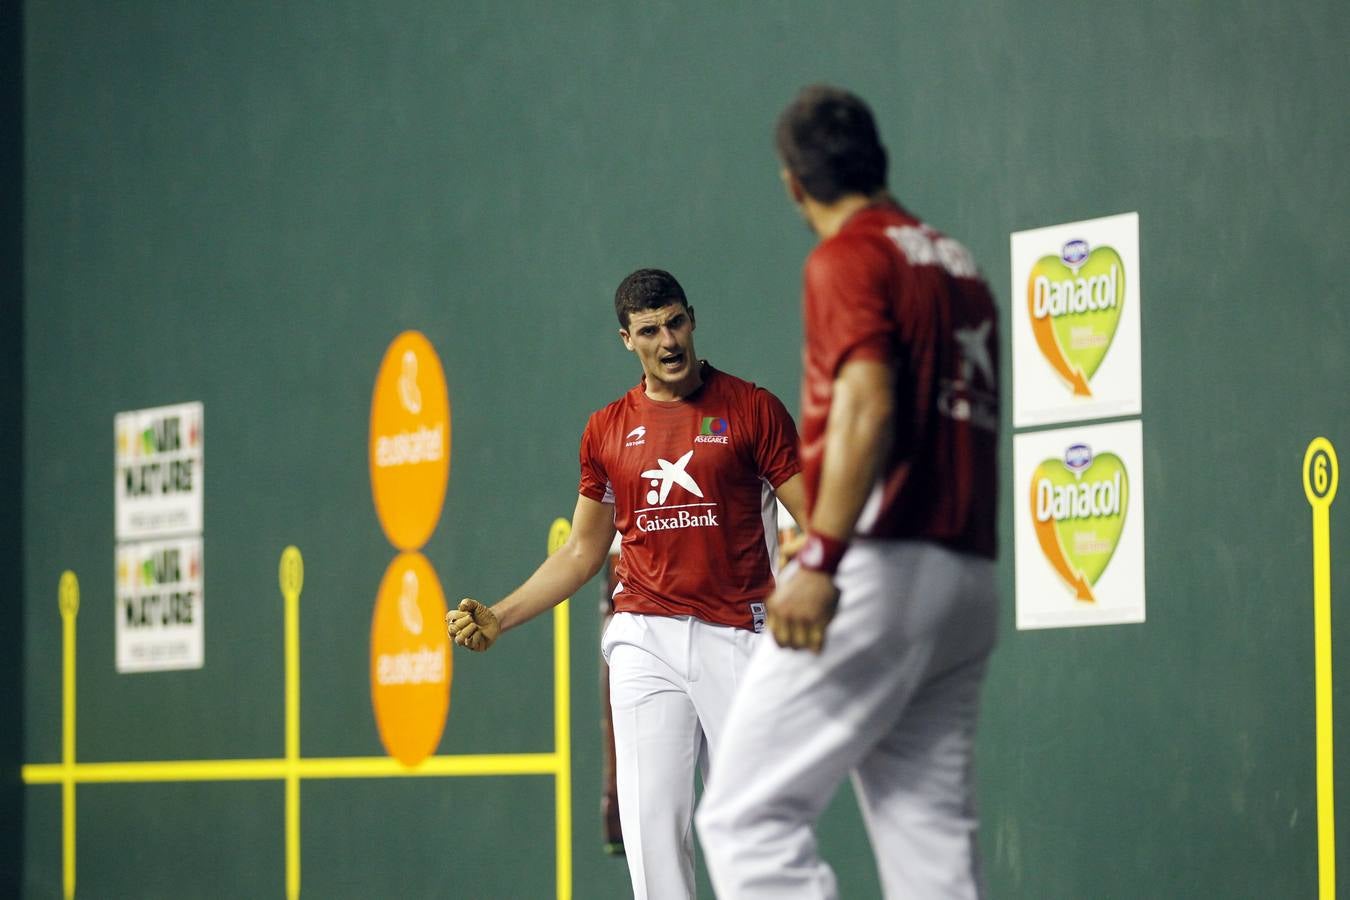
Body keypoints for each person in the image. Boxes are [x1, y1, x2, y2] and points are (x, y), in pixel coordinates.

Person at [696, 85, 1001, 899]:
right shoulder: (959, 266)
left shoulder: (846, 258)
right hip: (965, 578)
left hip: (880, 570)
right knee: (929, 841)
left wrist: (824, 554)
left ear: (794, 185)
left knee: (743, 819)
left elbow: (869, 401)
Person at [447, 268, 807, 899]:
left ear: (693, 319)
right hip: (644, 640)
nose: (668, 341)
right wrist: (501, 615)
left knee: (755, 828)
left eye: (675, 323)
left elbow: (821, 521)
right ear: (626, 340)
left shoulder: (752, 409)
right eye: (649, 330)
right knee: (652, 834)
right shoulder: (607, 430)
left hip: (740, 638)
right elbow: (584, 550)